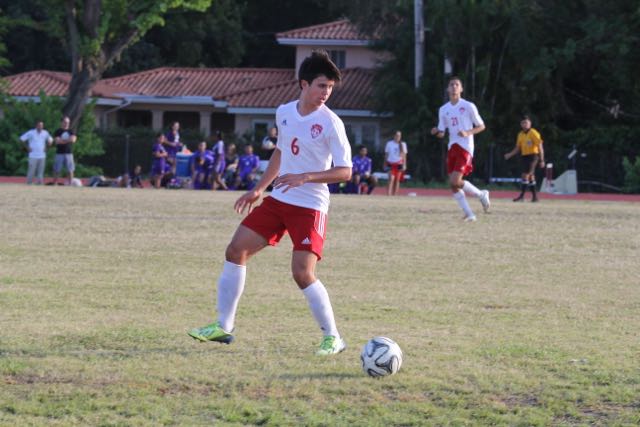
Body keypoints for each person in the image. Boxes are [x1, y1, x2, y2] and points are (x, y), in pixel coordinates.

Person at [188, 50, 352, 356]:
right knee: (236, 250)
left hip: (311, 205)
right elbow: (280, 152)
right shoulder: (285, 111)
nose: (325, 93)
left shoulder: (332, 123)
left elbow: (345, 171)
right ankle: (224, 326)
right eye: (321, 85)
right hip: (280, 199)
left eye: (329, 87)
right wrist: (259, 188)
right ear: (303, 84)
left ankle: (333, 337)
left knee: (302, 272)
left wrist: (306, 177)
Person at [430, 76, 490, 221]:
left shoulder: (469, 106)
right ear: (448, 89)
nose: (454, 86)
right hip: (452, 146)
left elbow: (481, 126)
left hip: (466, 146)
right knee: (453, 184)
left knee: (456, 180)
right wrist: (436, 132)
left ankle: (481, 194)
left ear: (461, 89)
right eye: (452, 84)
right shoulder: (443, 109)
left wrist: (468, 132)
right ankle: (470, 214)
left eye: (457, 84)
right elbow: (442, 133)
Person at [504, 115, 545, 202]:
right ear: (520, 124)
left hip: (533, 156)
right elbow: (518, 148)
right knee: (531, 177)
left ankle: (521, 196)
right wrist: (510, 154)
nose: (524, 124)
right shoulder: (520, 134)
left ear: (530, 124)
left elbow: (540, 146)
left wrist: (542, 160)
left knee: (525, 175)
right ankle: (535, 197)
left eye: (526, 122)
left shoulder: (534, 133)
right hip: (525, 156)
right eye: (523, 123)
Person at [20, 120, 53, 185]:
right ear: (36, 126)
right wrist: (27, 148)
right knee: (31, 171)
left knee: (40, 172)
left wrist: (47, 147)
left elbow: (51, 140)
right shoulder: (31, 132)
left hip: (42, 155)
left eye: (42, 125)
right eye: (39, 125)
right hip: (33, 155)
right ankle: (29, 183)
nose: (40, 127)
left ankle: (39, 184)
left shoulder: (45, 133)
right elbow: (21, 139)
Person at [51, 116, 77, 185]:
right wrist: (68, 140)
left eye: (68, 122)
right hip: (59, 153)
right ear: (62, 123)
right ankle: (55, 183)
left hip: (69, 153)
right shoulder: (58, 131)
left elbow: (73, 140)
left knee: (70, 169)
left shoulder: (71, 131)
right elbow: (57, 141)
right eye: (65, 122)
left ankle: (70, 184)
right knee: (57, 169)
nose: (67, 124)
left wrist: (62, 141)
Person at [384, 131, 407, 196]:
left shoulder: (403, 144)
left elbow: (404, 156)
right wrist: (385, 163)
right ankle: (388, 194)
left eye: (399, 136)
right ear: (394, 136)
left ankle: (395, 195)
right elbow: (386, 154)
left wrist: (404, 164)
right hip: (390, 163)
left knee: (397, 180)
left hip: (399, 163)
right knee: (391, 178)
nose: (398, 137)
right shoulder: (389, 143)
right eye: (396, 135)